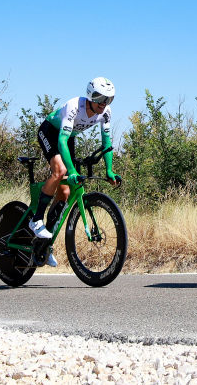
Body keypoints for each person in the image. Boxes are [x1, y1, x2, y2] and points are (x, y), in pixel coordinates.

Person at [28, 77, 120, 266]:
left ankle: (45, 245)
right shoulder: (74, 106)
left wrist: (110, 170)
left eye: (109, 99)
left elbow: (107, 143)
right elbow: (61, 141)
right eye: (101, 98)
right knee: (60, 172)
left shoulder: (106, 113)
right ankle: (36, 220)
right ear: (91, 96)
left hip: (68, 137)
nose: (104, 104)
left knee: (65, 191)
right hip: (50, 132)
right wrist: (71, 170)